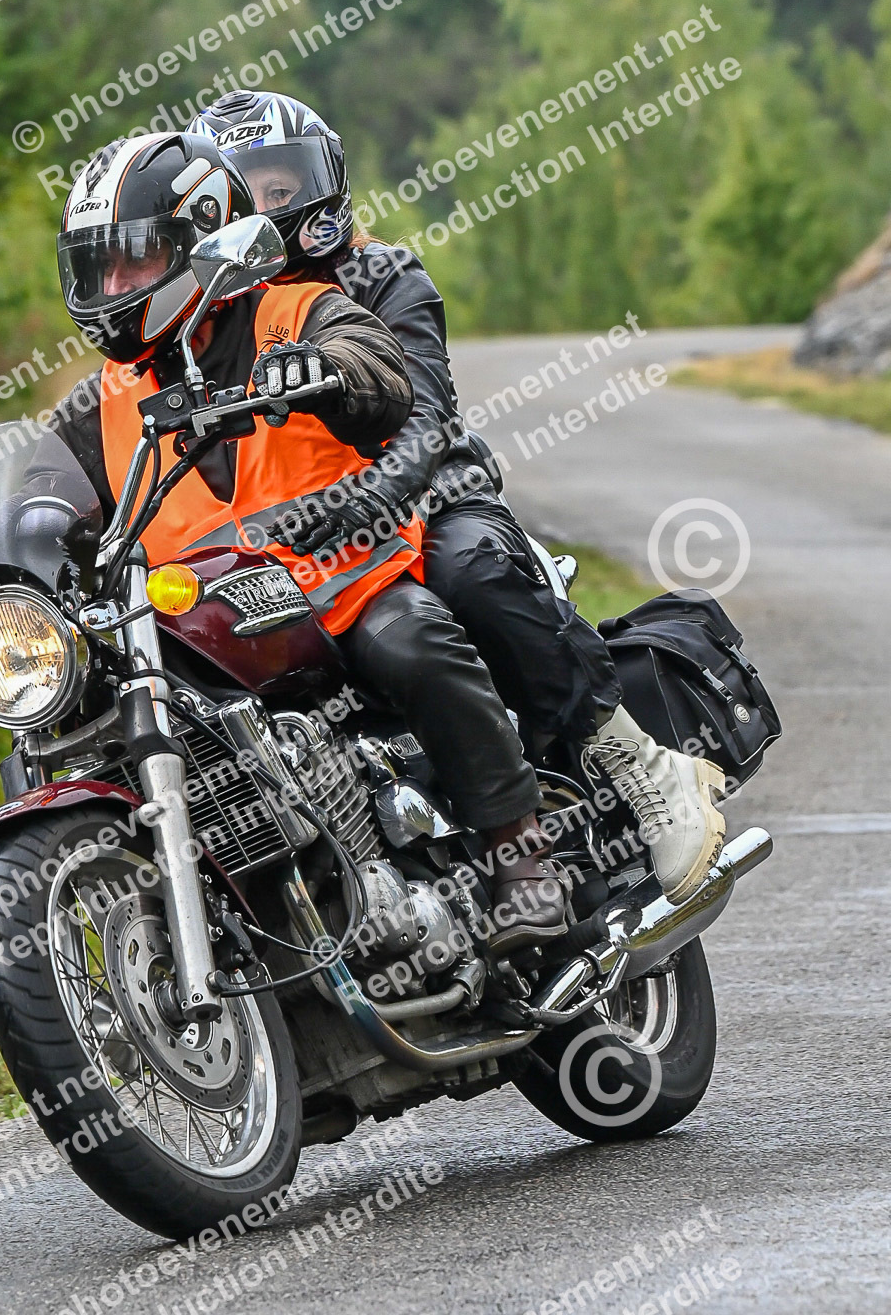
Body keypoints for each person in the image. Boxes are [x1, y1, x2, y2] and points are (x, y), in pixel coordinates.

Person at [196, 89, 725, 905]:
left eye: (279, 189)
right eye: (243, 196)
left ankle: (638, 761)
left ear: (322, 185)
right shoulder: (211, 321)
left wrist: (377, 495)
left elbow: (426, 419)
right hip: (293, 544)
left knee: (467, 570)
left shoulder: (379, 275)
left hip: (430, 501)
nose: (264, 211)